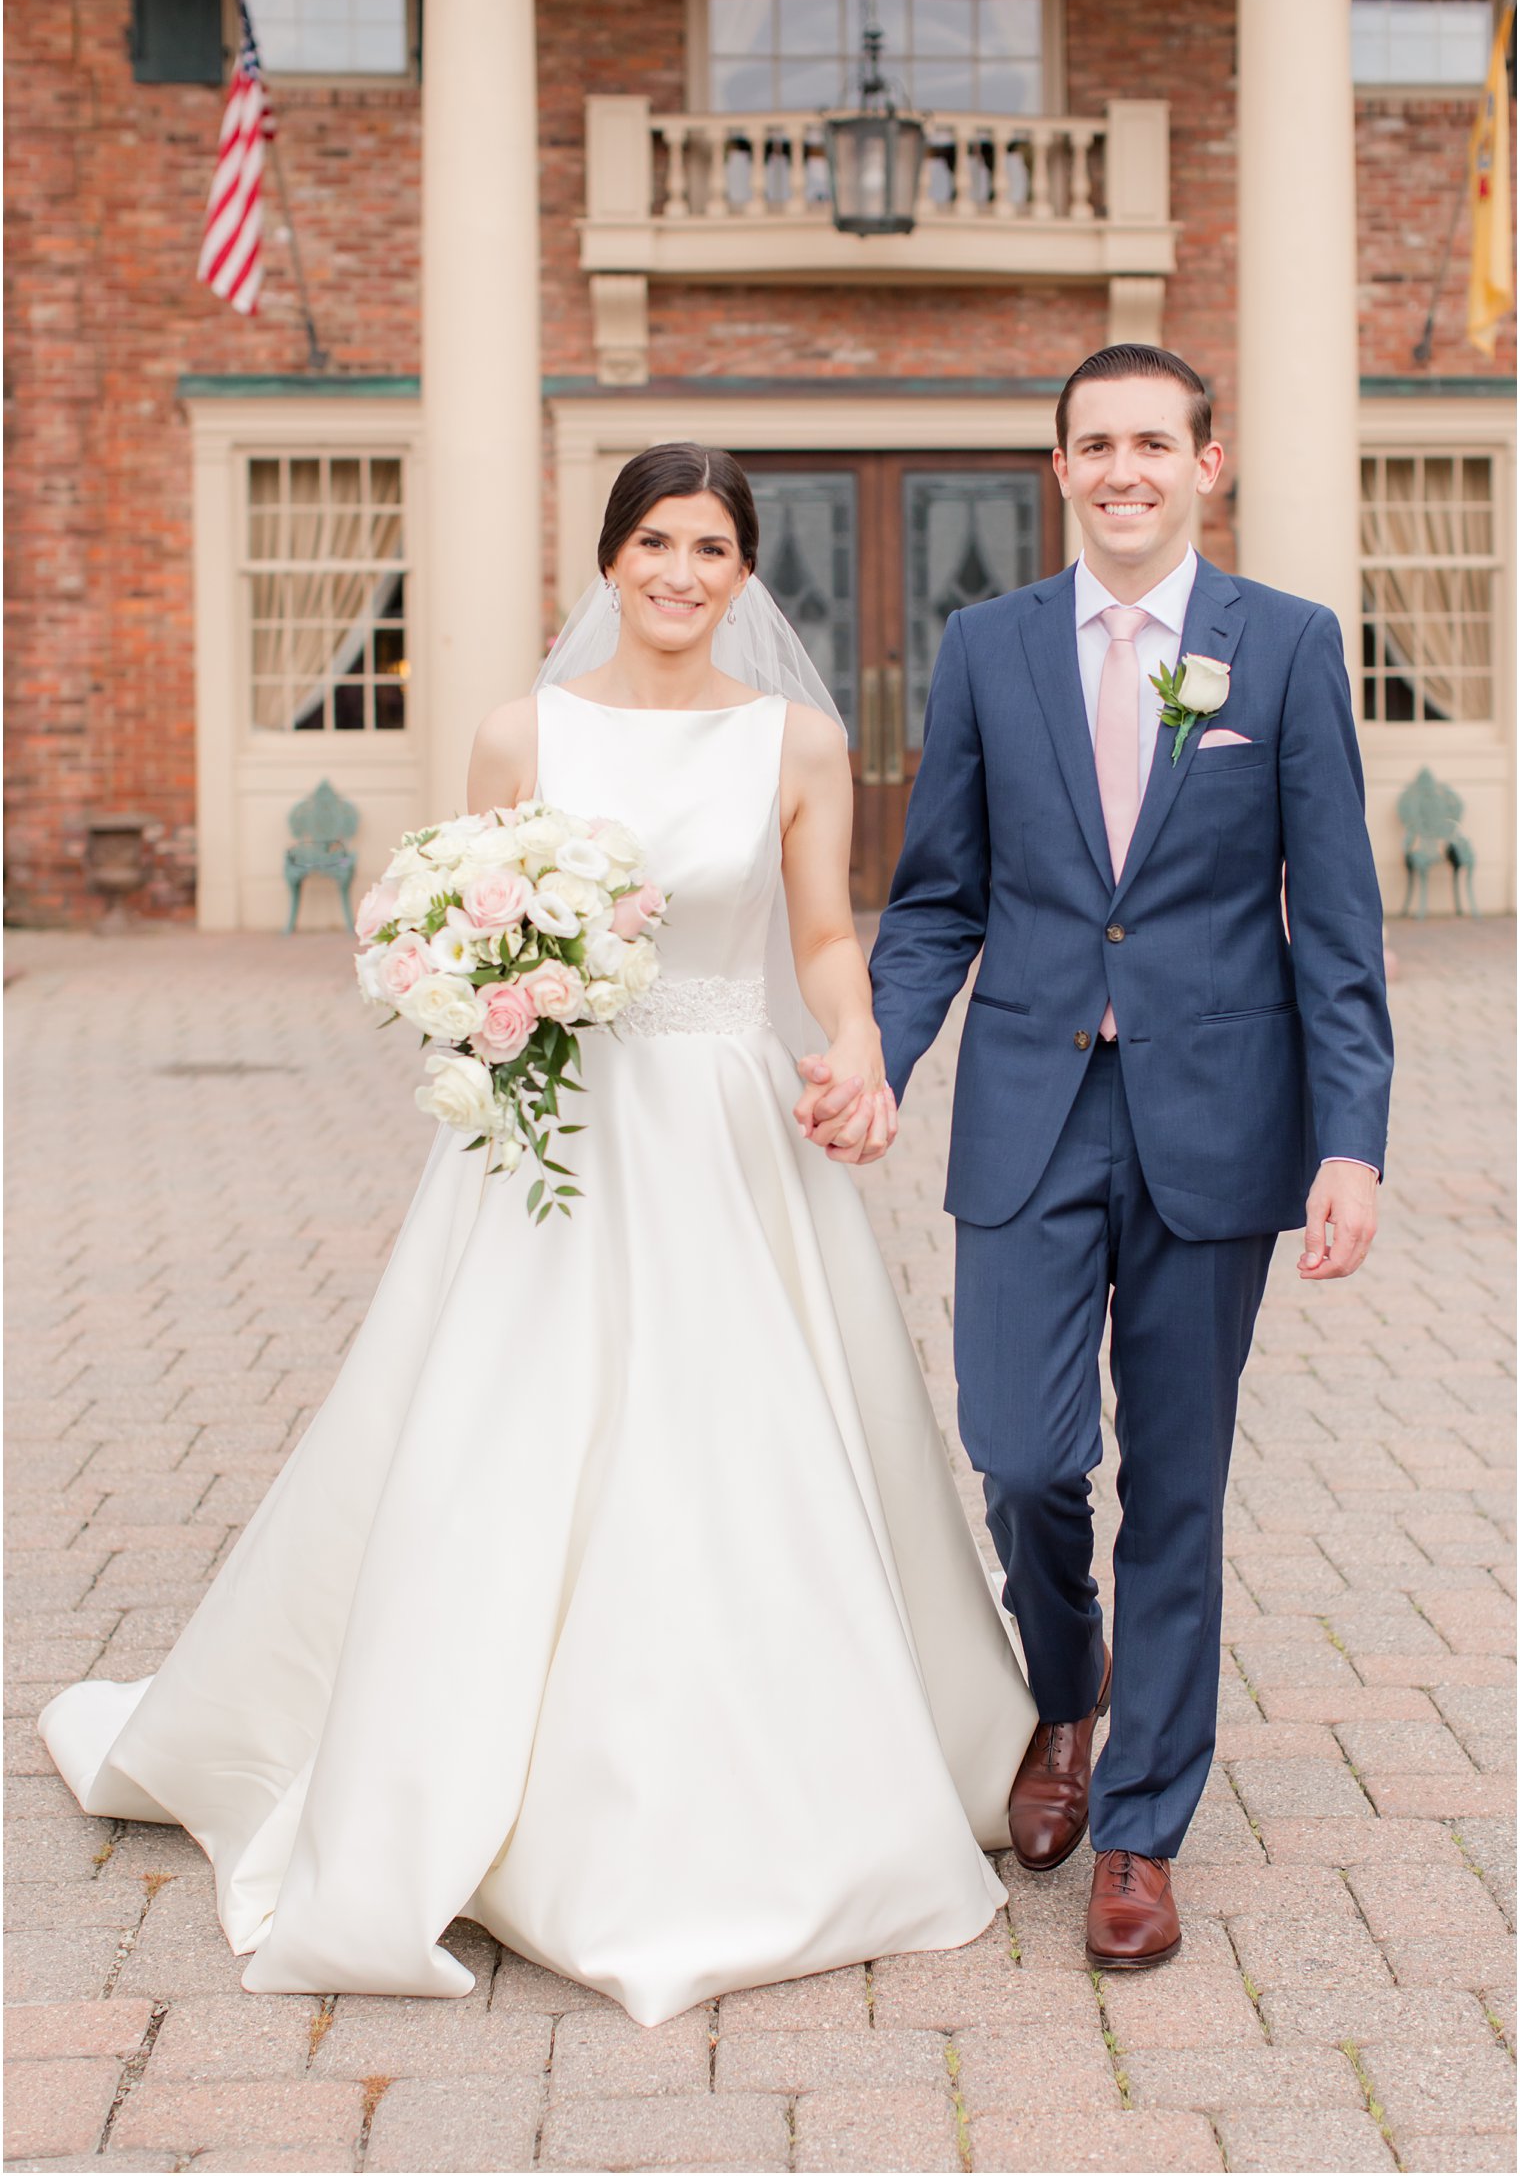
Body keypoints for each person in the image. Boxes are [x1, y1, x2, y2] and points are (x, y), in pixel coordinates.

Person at [39, 443, 1036, 2028]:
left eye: (713, 545)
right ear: (608, 554)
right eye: (655, 539)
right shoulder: (522, 730)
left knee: (735, 1441)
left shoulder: (796, 739)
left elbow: (828, 932)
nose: (682, 571)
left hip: (718, 1120)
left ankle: (771, 1776)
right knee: (503, 1438)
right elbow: (446, 903)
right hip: (553, 1133)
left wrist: (852, 1043)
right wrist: (483, 994)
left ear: (746, 569)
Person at [798, 346, 1394, 1971]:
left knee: (1179, 1487)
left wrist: (1356, 1139)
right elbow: (937, 898)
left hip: (1222, 1117)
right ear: (1056, 467)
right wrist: (883, 1056)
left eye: (1155, 441)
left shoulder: (1283, 646)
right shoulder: (987, 646)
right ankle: (1067, 1693)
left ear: (1210, 462)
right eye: (1095, 444)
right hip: (1028, 1107)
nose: (1125, 467)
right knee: (1022, 1448)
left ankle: (1139, 1822)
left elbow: (1335, 918)